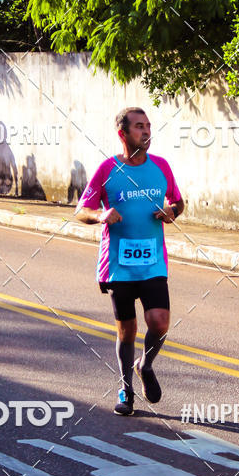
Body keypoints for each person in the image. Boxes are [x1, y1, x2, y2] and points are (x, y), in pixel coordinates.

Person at [76, 107, 184, 415]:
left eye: (148, 126)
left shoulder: (161, 166)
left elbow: (178, 202)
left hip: (153, 262)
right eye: (139, 126)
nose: (146, 131)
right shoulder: (107, 169)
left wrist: (172, 212)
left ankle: (145, 364)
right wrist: (101, 215)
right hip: (118, 265)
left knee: (159, 323)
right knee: (127, 331)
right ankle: (126, 389)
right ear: (123, 133)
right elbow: (82, 210)